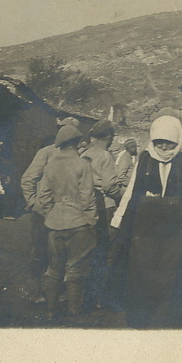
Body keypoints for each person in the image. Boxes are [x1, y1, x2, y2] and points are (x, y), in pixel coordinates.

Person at [111, 114, 182, 329]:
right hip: (147, 239)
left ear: (177, 141)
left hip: (177, 238)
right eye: (159, 142)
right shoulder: (145, 159)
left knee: (175, 286)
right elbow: (131, 194)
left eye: (169, 142)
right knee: (145, 284)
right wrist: (117, 223)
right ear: (153, 141)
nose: (164, 146)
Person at [37, 124, 98, 325]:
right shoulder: (82, 165)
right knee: (75, 269)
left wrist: (51, 214)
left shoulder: (50, 166)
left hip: (54, 224)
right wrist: (90, 221)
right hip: (77, 222)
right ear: (75, 143)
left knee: (54, 269)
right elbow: (87, 198)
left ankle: (50, 311)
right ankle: (74, 312)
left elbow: (43, 196)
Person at [20, 117, 82, 302]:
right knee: (40, 252)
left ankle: (57, 294)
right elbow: (28, 179)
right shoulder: (46, 153)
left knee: (63, 254)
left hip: (66, 214)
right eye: (63, 129)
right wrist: (33, 203)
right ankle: (37, 292)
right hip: (43, 213)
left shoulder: (78, 155)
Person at [81, 120, 123, 311]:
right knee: (106, 252)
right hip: (104, 207)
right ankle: (101, 296)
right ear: (108, 138)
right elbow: (110, 186)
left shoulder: (84, 154)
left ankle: (86, 294)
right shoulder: (105, 156)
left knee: (89, 251)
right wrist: (124, 196)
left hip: (86, 206)